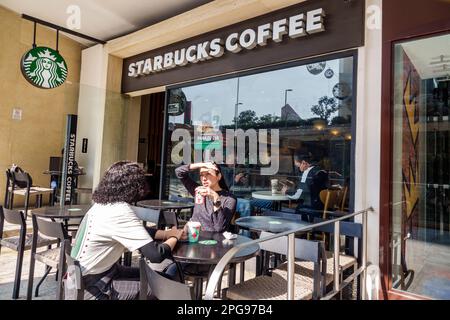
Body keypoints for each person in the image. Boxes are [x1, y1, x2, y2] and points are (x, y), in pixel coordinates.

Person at [71, 161, 185, 300]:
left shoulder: (101, 205)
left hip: (84, 277)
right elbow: (155, 255)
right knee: (168, 285)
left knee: (160, 277)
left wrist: (167, 234)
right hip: (95, 288)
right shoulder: (120, 211)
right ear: (134, 187)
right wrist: (176, 237)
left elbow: (137, 230)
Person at [175, 162, 237, 232]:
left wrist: (215, 198)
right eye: (201, 175)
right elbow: (179, 172)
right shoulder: (198, 190)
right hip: (194, 235)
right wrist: (202, 164)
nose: (204, 178)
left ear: (219, 176)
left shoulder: (229, 199)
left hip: (213, 240)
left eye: (208, 174)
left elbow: (219, 228)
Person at [285, 150, 328, 222]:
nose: (298, 169)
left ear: (304, 163)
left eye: (298, 166)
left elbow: (298, 195)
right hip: (322, 207)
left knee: (293, 210)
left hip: (313, 208)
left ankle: (302, 230)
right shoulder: (320, 170)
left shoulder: (307, 172)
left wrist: (286, 192)